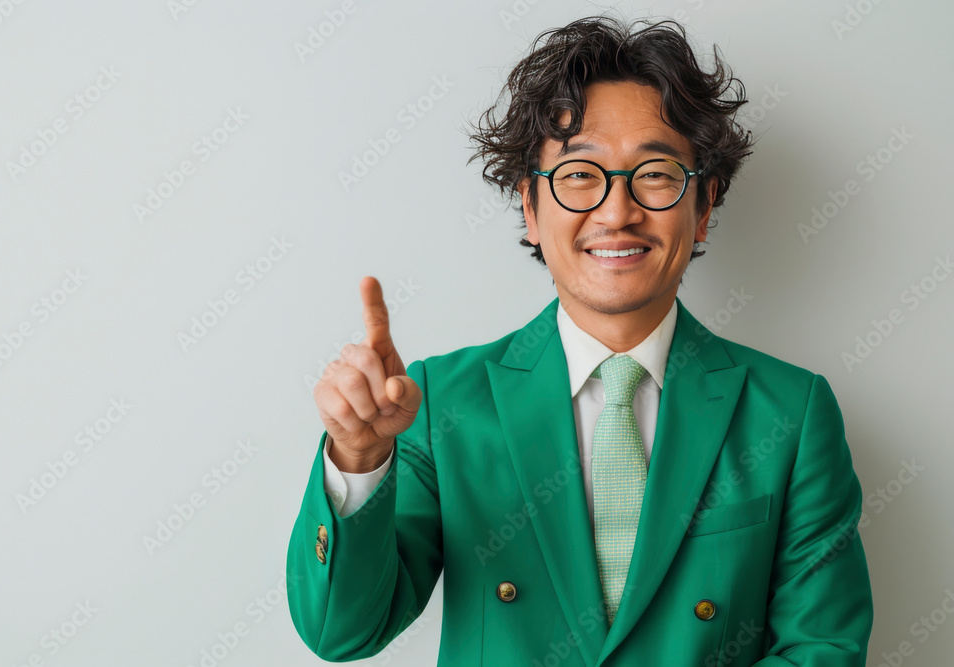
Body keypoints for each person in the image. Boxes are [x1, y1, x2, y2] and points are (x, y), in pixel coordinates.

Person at [287, 16, 873, 666]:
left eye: (654, 173)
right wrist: (361, 455)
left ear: (703, 204)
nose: (616, 211)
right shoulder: (441, 404)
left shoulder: (791, 413)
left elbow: (823, 649)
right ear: (531, 209)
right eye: (579, 174)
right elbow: (342, 631)